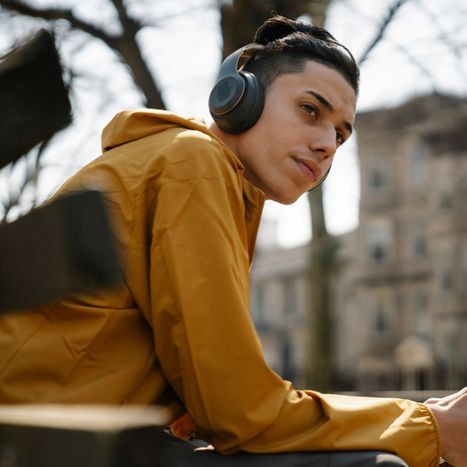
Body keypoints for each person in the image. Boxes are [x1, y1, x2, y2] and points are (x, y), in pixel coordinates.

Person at [0, 14, 465, 467]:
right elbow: (239, 411)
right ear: (238, 98)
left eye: (341, 135)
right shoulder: (193, 162)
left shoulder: (190, 168)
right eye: (310, 110)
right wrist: (428, 426)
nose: (327, 143)